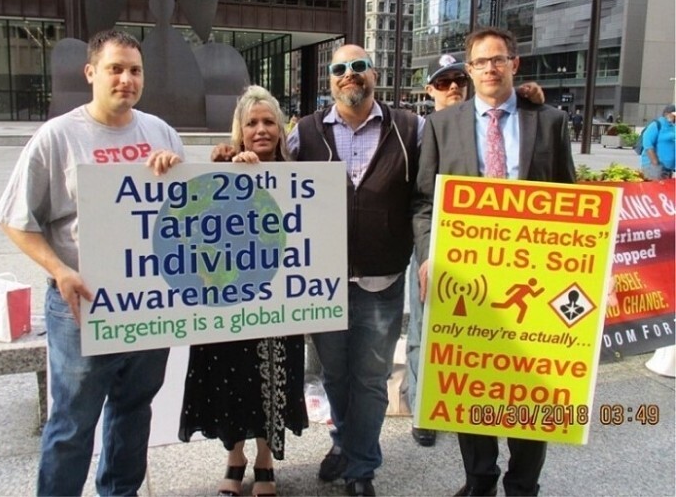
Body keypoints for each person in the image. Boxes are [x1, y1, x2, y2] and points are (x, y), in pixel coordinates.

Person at [0, 29, 185, 496]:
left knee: (133, 412)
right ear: (91, 72)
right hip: (81, 305)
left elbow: (183, 214)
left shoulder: (161, 132)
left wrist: (176, 173)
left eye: (135, 70)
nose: (126, 79)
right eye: (115, 69)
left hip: (147, 304)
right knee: (72, 424)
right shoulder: (58, 136)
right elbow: (15, 219)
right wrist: (60, 270)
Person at [413, 27, 575, 497]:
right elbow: (424, 203)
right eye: (480, 62)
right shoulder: (442, 125)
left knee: (531, 384)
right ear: (469, 70)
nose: (489, 68)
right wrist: (429, 255)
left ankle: (523, 485)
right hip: (468, 276)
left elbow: (569, 200)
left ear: (514, 64)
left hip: (533, 278)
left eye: (498, 59)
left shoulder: (550, 122)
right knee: (472, 381)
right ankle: (479, 480)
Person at [287, 44, 423, 497]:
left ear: (374, 74)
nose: (350, 74)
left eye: (359, 66)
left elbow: (440, 175)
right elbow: (269, 175)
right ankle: (345, 443)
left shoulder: (410, 128)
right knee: (335, 376)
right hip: (322, 283)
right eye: (340, 68)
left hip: (382, 280)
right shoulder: (305, 131)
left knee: (370, 379)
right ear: (330, 79)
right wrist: (231, 156)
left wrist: (521, 101)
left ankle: (361, 466)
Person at [405, 55, 545, 448]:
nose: (452, 88)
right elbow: (421, 196)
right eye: (442, 82)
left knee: (484, 331)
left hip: (502, 251)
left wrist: (524, 96)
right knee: (424, 329)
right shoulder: (417, 127)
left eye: (457, 81)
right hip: (439, 246)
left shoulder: (490, 118)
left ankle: (480, 400)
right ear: (429, 90)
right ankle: (423, 408)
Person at [178, 85, 308, 497]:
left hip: (279, 303)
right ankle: (234, 458)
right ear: (239, 130)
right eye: (252, 123)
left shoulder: (297, 175)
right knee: (229, 381)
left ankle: (265, 461)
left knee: (272, 380)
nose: (261, 130)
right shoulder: (221, 170)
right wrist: (229, 172)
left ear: (281, 129)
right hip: (228, 300)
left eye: (269, 121)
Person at [640, 103, 675, 180]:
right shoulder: (656, 125)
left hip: (668, 169)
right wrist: (655, 162)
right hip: (654, 167)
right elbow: (647, 143)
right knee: (654, 187)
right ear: (666, 114)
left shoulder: (673, 127)